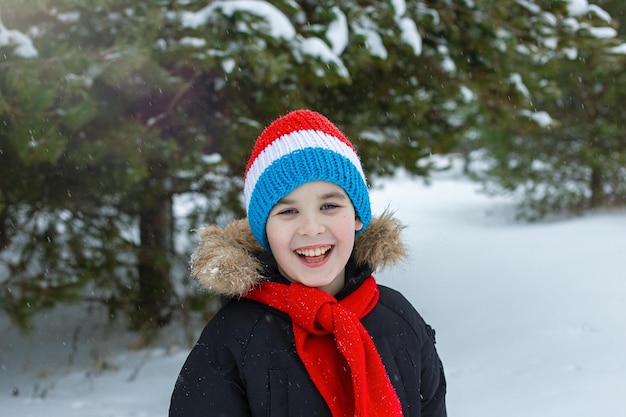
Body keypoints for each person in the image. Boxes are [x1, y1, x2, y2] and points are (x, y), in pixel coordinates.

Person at [169, 109, 447, 417]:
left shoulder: (400, 320)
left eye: (329, 205)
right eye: (288, 212)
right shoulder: (233, 340)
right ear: (265, 231)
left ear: (356, 216)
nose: (311, 228)